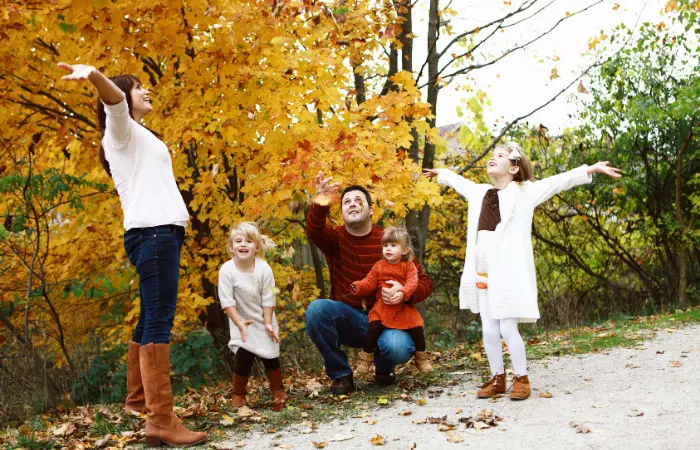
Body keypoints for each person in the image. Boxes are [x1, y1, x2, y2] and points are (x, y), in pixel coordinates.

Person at [57, 63, 206, 447]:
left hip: (157, 233)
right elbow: (115, 103)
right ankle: (160, 418)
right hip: (153, 234)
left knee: (148, 319)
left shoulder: (139, 136)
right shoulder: (119, 132)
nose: (146, 91)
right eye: (137, 88)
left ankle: (139, 401)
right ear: (124, 96)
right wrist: (93, 75)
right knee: (159, 321)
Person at [424, 142, 622, 400]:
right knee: (489, 330)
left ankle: (521, 377)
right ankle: (497, 377)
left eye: (501, 156)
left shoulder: (524, 192)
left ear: (514, 167)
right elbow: (458, 181)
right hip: (483, 271)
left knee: (507, 327)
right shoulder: (479, 192)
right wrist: (441, 174)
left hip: (508, 274)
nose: (493, 159)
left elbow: (558, 181)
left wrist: (590, 169)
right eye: (492, 155)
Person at [305, 172, 434, 395]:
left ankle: (384, 369)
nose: (352, 205)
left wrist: (405, 294)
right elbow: (314, 231)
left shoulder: (389, 242)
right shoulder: (335, 239)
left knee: (398, 347)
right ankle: (342, 376)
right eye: (346, 202)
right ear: (342, 212)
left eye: (358, 201)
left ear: (371, 210)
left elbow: (424, 281)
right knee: (316, 310)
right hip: (350, 319)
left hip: (388, 319)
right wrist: (322, 200)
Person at [217, 222, 287, 410]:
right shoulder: (226, 270)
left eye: (249, 241)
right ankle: (238, 395)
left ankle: (278, 391)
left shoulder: (264, 269)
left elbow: (268, 297)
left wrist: (268, 324)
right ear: (231, 248)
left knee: (271, 356)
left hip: (264, 319)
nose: (243, 245)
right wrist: (239, 323)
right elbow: (227, 302)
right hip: (241, 322)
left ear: (256, 247)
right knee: (244, 356)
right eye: (238, 241)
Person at [351, 226, 433, 375]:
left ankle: (422, 358)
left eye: (393, 245)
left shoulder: (409, 266)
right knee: (373, 330)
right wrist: (359, 286)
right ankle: (365, 359)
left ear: (404, 250)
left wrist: (403, 293)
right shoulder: (379, 266)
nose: (388, 249)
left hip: (403, 307)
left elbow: (413, 282)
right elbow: (369, 281)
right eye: (385, 245)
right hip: (383, 307)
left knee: (417, 329)